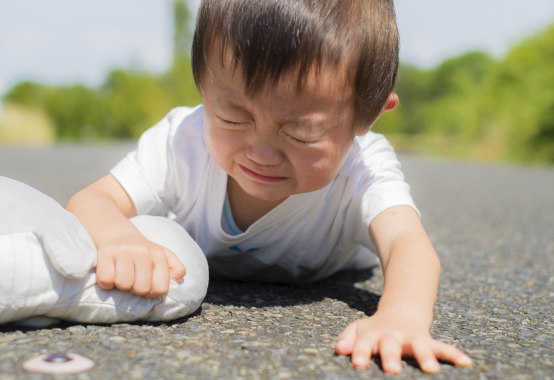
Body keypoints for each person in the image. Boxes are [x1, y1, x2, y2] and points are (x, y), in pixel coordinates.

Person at [67, 0, 472, 374]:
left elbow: (408, 242)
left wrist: (401, 316)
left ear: (368, 117)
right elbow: (93, 199)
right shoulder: (181, 142)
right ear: (203, 86)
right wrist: (119, 237)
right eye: (232, 116)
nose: (260, 153)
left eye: (300, 133)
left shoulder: (363, 169)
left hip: (330, 271)